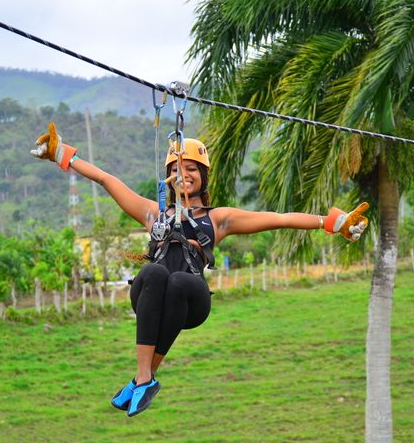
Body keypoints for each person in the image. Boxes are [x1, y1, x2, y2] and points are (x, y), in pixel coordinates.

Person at [31, 123, 369, 417]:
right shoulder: (153, 214)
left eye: (192, 168)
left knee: (177, 278)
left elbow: (278, 219)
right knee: (155, 273)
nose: (184, 174)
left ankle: (142, 380)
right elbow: (107, 180)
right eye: (177, 169)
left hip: (191, 298)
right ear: (168, 176)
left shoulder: (217, 218)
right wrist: (62, 152)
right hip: (151, 294)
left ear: (202, 175)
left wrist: (332, 222)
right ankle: (143, 380)